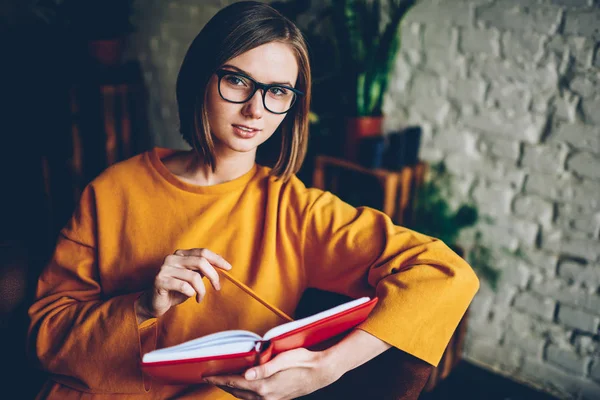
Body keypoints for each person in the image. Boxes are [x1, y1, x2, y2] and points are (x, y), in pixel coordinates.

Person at [27, 2, 479, 399]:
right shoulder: (112, 190)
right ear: (202, 78)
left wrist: (327, 367)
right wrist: (143, 306)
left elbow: (444, 273)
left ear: (292, 105)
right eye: (237, 81)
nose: (256, 109)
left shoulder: (297, 211)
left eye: (278, 91)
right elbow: (46, 335)